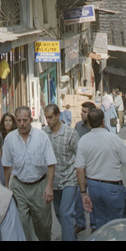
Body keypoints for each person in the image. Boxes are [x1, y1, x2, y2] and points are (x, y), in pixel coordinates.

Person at [75, 107, 126, 230]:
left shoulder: (83, 141)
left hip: (94, 186)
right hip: (113, 187)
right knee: (117, 225)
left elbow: (79, 169)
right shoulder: (113, 139)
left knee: (99, 224)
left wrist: (83, 193)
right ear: (103, 121)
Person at [2, 106, 56, 242]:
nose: (22, 124)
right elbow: (7, 166)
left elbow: (51, 163)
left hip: (39, 185)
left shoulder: (41, 137)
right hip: (19, 186)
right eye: (19, 120)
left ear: (31, 120)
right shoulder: (9, 139)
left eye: (25, 120)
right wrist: (6, 188)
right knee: (21, 223)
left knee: (43, 225)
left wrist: (49, 187)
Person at [44, 104, 80, 242]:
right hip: (54, 181)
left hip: (70, 179)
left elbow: (80, 154)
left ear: (58, 116)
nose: (48, 121)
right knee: (59, 213)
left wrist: (82, 176)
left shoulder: (70, 133)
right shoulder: (44, 133)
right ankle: (72, 236)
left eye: (51, 117)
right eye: (46, 118)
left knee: (66, 212)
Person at [74, 101, 97, 234]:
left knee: (94, 197)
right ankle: (80, 222)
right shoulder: (78, 127)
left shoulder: (99, 127)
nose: (81, 114)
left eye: (84, 112)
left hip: (95, 168)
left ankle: (94, 224)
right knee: (78, 196)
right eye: (81, 111)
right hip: (81, 168)